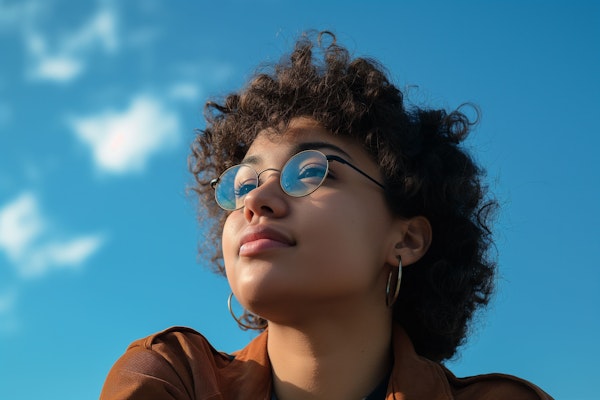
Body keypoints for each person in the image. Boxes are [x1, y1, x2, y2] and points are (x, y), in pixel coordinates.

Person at [100, 31, 553, 399]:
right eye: (243, 184)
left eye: (313, 172)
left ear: (407, 240)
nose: (257, 201)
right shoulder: (173, 377)